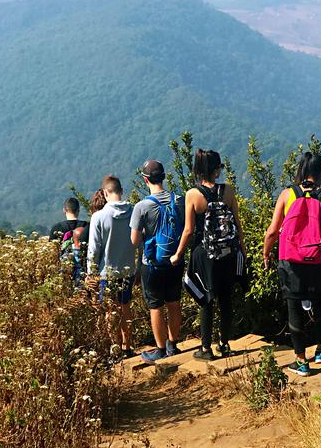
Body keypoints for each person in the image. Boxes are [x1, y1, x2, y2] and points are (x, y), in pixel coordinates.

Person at [264, 152, 321, 376]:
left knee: (294, 307)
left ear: (300, 170)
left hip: (292, 261)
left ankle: (301, 360)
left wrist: (266, 253)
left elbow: (272, 231)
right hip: (320, 260)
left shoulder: (287, 194)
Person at [170, 149, 246, 361]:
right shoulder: (228, 191)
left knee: (206, 298)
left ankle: (205, 348)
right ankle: (225, 344)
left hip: (204, 254)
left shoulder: (193, 194)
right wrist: (243, 249)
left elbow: (189, 229)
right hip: (228, 252)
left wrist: (177, 255)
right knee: (226, 299)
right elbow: (237, 223)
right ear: (217, 169)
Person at [130, 159, 185, 364]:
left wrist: (146, 233)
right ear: (163, 176)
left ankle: (160, 349)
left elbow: (135, 241)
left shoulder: (142, 207)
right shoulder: (179, 200)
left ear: (145, 180)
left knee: (156, 306)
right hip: (175, 259)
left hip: (152, 263)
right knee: (174, 302)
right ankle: (173, 344)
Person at [87, 176, 136, 358]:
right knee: (126, 307)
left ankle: (115, 348)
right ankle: (127, 345)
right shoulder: (133, 211)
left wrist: (91, 273)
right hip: (128, 269)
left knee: (110, 310)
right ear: (121, 190)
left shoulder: (98, 217)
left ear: (105, 193)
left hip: (106, 272)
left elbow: (93, 249)